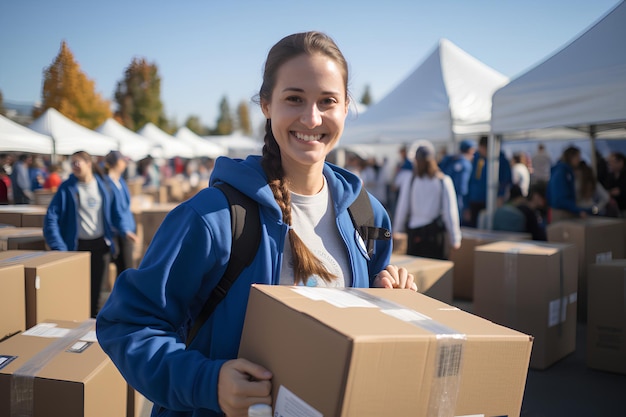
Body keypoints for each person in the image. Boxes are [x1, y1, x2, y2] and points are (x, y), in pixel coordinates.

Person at [96, 31, 416, 417]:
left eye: (327, 101)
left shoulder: (366, 214)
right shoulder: (215, 217)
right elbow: (127, 324)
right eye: (293, 99)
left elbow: (364, 335)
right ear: (266, 104)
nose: (311, 118)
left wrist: (391, 297)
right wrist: (208, 383)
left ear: (346, 106)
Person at [43, 150, 123, 318]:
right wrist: (59, 247)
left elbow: (117, 212)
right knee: (78, 290)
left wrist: (126, 230)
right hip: (78, 247)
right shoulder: (67, 188)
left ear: (89, 164)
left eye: (78, 162)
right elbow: (51, 218)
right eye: (72, 163)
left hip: (101, 245)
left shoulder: (103, 185)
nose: (75, 166)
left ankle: (94, 327)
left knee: (98, 292)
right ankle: (80, 324)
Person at [393, 142, 461, 260]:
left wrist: (397, 229)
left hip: (415, 232)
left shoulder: (410, 179)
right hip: (435, 233)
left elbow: (402, 207)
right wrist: (455, 238)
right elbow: (450, 212)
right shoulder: (443, 180)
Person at [465, 135, 512, 228]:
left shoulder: (500, 160)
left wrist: (501, 195)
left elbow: (506, 180)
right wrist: (467, 205)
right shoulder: (476, 159)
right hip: (475, 200)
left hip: (491, 200)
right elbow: (470, 181)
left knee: (489, 225)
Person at [104, 150, 139, 274]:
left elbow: (125, 208)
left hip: (127, 229)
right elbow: (116, 210)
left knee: (128, 268)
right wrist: (126, 230)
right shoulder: (107, 183)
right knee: (125, 269)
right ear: (117, 162)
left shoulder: (121, 181)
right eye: (123, 161)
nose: (125, 164)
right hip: (118, 233)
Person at [547, 146, 595, 222]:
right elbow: (561, 198)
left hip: (561, 210)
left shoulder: (562, 171)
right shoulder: (562, 172)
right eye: (578, 157)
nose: (579, 160)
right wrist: (577, 210)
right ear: (571, 157)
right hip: (562, 212)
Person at [439, 139, 475, 221]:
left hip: (444, 196)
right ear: (470, 150)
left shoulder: (450, 160)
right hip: (457, 199)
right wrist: (466, 207)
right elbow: (462, 188)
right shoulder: (465, 164)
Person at [604, 151, 626, 217]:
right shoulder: (610, 176)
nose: (610, 164)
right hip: (614, 209)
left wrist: (621, 192)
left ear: (620, 162)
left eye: (612, 162)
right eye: (609, 162)